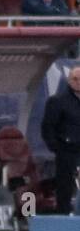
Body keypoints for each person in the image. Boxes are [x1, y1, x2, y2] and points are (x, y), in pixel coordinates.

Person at [41, 64, 80, 215]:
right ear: (69, 81)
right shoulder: (58, 101)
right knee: (65, 190)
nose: (78, 82)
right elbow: (47, 127)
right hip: (67, 152)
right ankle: (63, 221)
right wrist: (58, 148)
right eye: (74, 79)